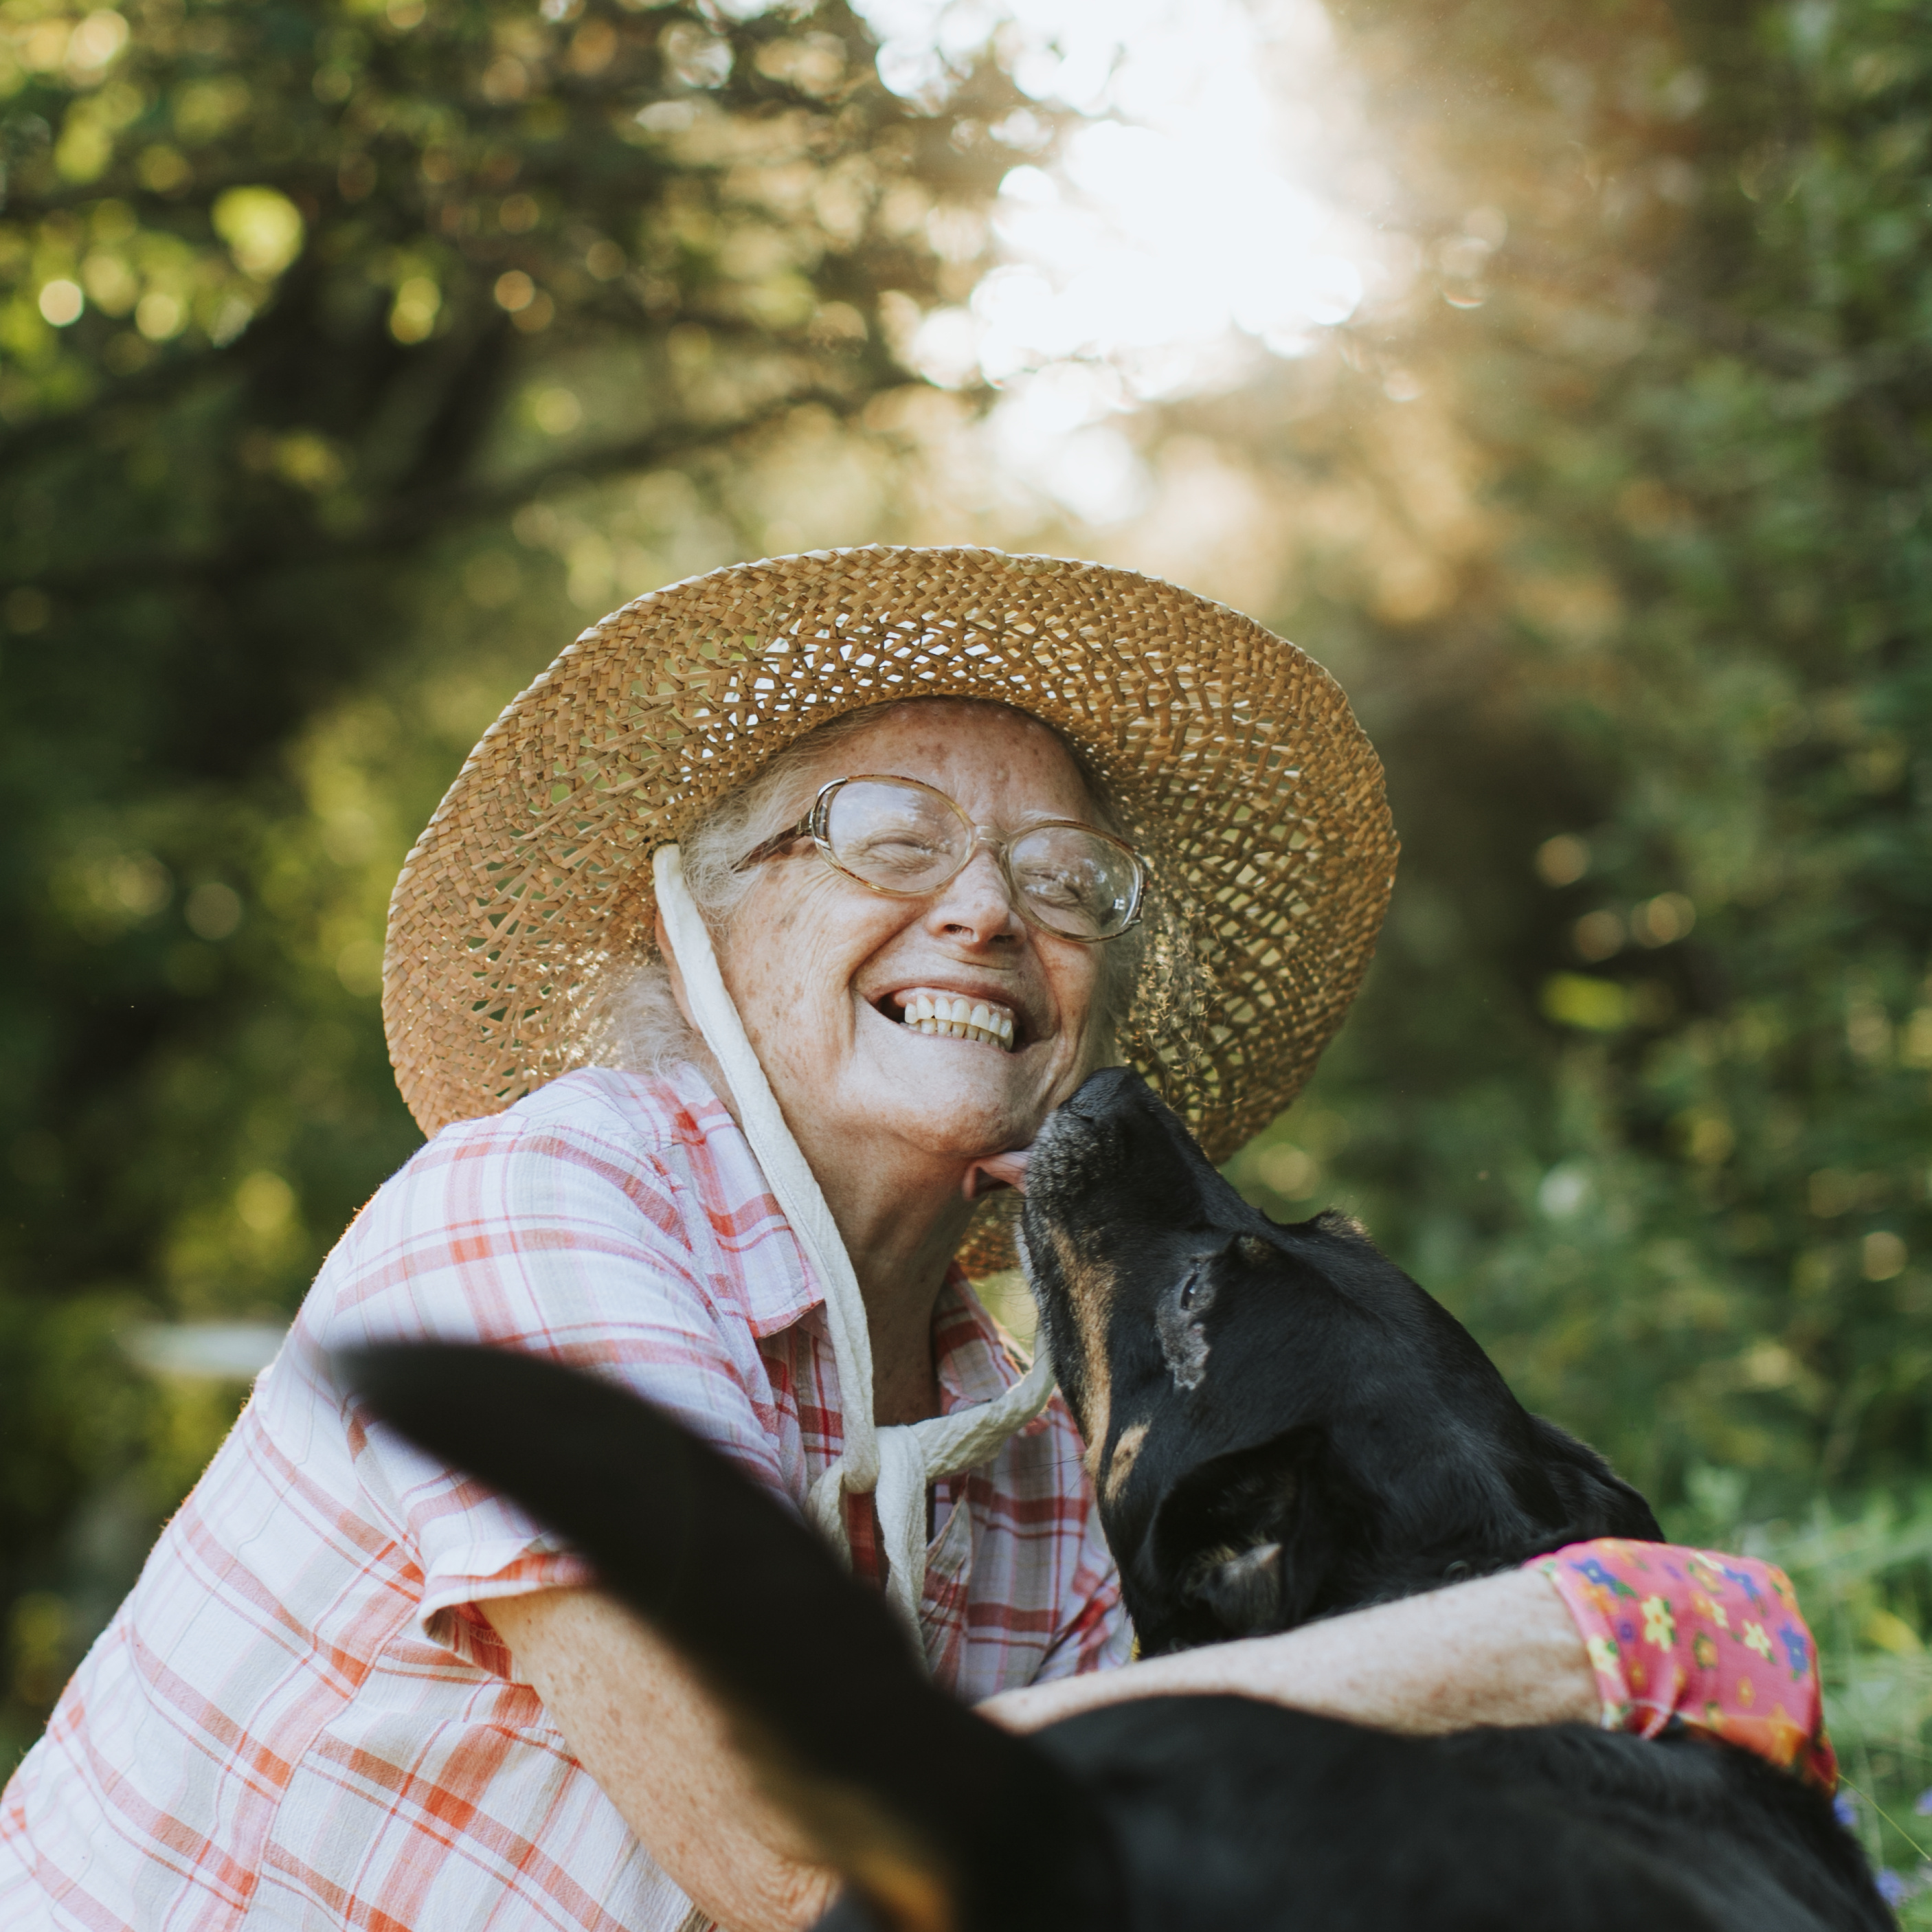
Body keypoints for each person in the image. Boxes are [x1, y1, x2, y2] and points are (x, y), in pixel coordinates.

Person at [0, 548, 1829, 1932]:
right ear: (694, 931)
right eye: (885, 834)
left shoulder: (1026, 1450)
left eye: (1062, 886)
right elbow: (793, 1844)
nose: (981, 913)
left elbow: (1040, 1871)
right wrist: (1557, 1640)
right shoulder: (539, 1207)